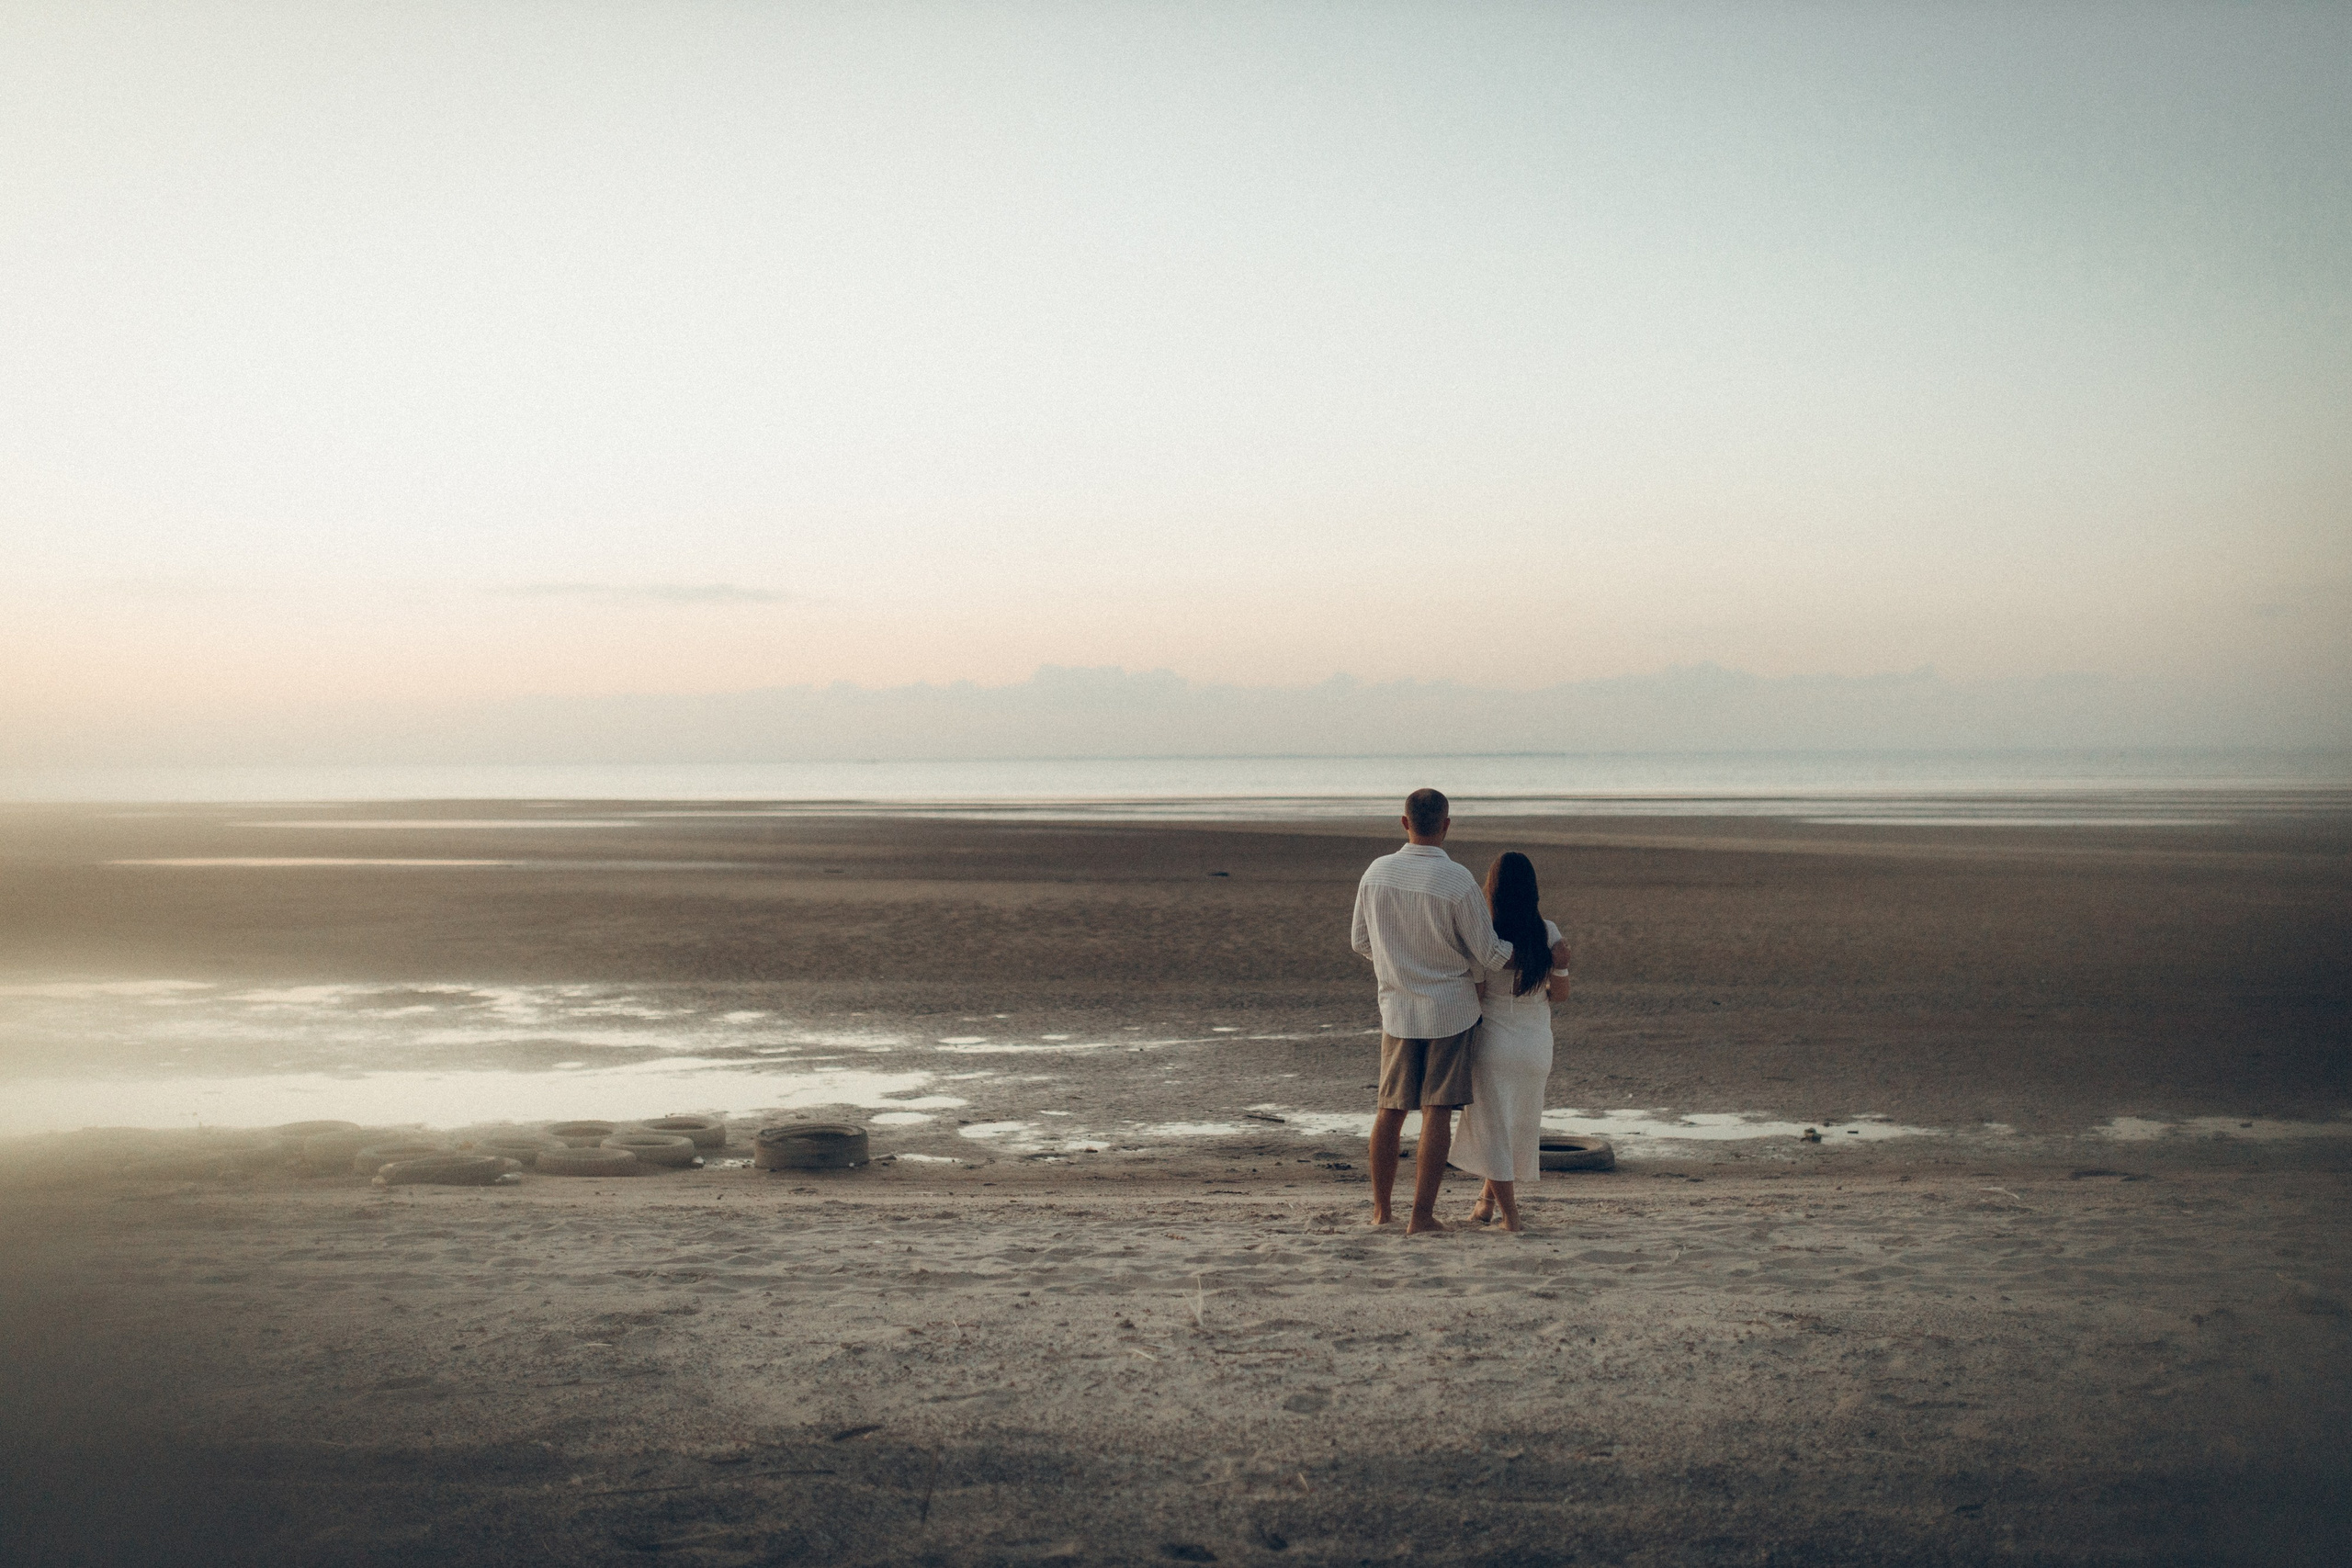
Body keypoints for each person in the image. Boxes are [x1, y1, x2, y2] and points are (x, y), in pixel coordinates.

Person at [1349, 787, 1515, 1234]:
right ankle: (1421, 1216)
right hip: (1451, 1011)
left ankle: (1382, 1212)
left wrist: (1398, 965)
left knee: (1390, 1110)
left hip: (1398, 1010)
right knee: (1437, 1111)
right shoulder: (1457, 880)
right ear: (1446, 824)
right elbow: (1489, 953)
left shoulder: (1376, 872)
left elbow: (1360, 942)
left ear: (1405, 822)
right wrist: (1537, 954)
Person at [1450, 852, 1571, 1232]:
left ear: (1492, 890)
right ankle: (1485, 1205)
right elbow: (1560, 995)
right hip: (1536, 1046)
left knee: (1494, 1132)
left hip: (1494, 1045)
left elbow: (1479, 996)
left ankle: (1511, 1218)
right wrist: (1559, 967)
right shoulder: (1548, 931)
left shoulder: (1485, 937)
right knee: (1515, 1126)